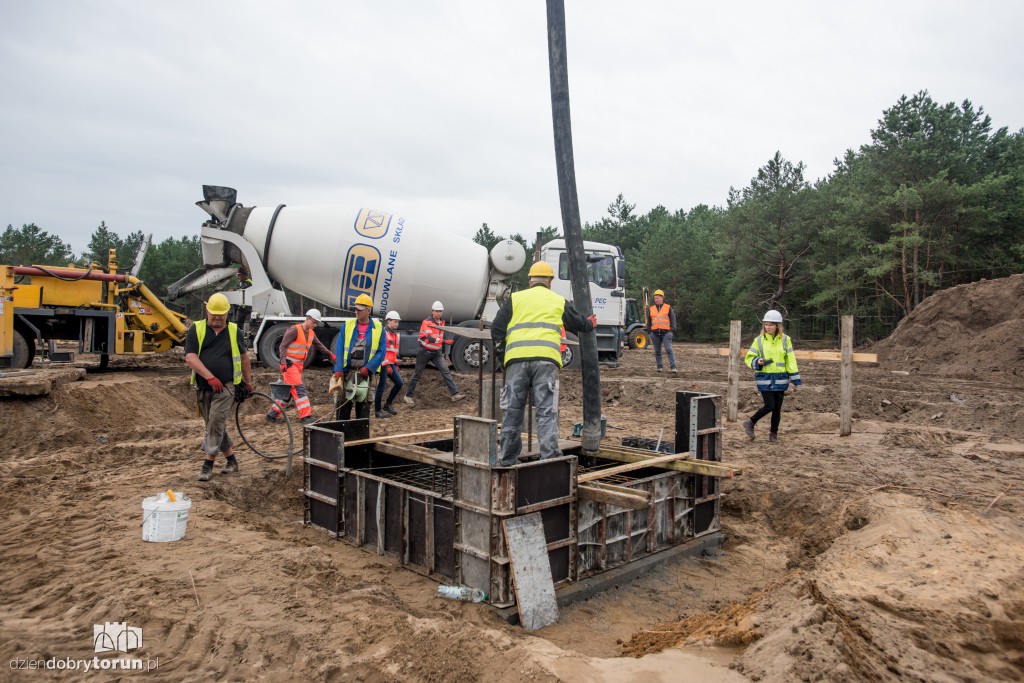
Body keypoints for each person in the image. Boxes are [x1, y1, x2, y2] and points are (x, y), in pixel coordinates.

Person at [491, 261, 597, 466]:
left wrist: (503, 357)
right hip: (546, 363)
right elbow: (579, 323)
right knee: (546, 412)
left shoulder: (515, 299)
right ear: (550, 281)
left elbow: (496, 329)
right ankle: (549, 460)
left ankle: (506, 460)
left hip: (516, 362)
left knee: (512, 412)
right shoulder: (557, 300)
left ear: (530, 280)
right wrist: (589, 323)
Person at [184, 292, 255, 482]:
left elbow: (244, 357)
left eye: (220, 315)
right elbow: (191, 357)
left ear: (227, 313)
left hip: (227, 386)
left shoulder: (234, 331)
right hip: (204, 386)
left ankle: (208, 465)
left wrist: (248, 383)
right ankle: (232, 460)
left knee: (215, 421)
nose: (217, 318)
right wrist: (210, 377)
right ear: (207, 311)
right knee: (214, 425)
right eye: (213, 314)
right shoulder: (196, 329)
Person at [265, 308, 336, 425]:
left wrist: (330, 354)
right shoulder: (294, 330)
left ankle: (271, 414)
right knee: (299, 389)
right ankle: (305, 416)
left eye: (317, 323)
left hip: (298, 367)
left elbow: (319, 345)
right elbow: (282, 346)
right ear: (308, 319)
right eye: (314, 322)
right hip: (289, 366)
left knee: (287, 393)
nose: (315, 324)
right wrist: (282, 362)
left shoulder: (311, 333)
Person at [742, 310, 802, 443]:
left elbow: (790, 360)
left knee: (777, 409)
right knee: (770, 405)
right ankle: (751, 422)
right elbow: (749, 358)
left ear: (777, 326)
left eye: (770, 325)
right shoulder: (758, 340)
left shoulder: (786, 340)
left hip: (781, 378)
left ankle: (773, 434)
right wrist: (758, 361)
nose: (767, 327)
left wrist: (796, 379)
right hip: (765, 379)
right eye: (766, 324)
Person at [331, 294, 386, 420]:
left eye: (360, 309)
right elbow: (339, 348)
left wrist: (369, 367)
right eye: (355, 309)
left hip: (365, 376)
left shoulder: (379, 328)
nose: (356, 311)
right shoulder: (348, 325)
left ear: (368, 310)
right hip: (347, 374)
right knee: (342, 411)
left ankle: (360, 437)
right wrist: (338, 368)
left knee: (363, 412)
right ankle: (342, 436)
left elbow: (381, 352)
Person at [403, 301, 466, 404]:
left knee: (445, 371)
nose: (439, 313)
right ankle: (408, 396)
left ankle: (454, 394)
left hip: (436, 351)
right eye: (437, 311)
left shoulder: (442, 322)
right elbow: (430, 338)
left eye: (440, 311)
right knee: (417, 373)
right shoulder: (426, 322)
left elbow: (437, 337)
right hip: (424, 351)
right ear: (432, 311)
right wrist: (445, 342)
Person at [374, 310, 405, 418]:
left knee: (399, 383)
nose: (397, 324)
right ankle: (377, 411)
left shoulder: (395, 335)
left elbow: (393, 351)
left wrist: (395, 364)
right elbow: (382, 350)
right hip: (383, 364)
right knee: (381, 387)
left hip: (391, 363)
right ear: (388, 322)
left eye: (398, 322)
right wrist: (386, 365)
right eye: (395, 322)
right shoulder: (384, 333)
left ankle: (387, 405)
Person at [647, 289, 677, 373]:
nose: (656, 300)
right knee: (657, 351)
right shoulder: (651, 309)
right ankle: (659, 367)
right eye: (655, 298)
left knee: (668, 349)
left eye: (657, 298)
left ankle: (673, 367)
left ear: (662, 298)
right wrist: (650, 331)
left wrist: (672, 330)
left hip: (666, 333)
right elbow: (649, 321)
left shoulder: (668, 307)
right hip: (655, 333)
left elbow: (673, 319)